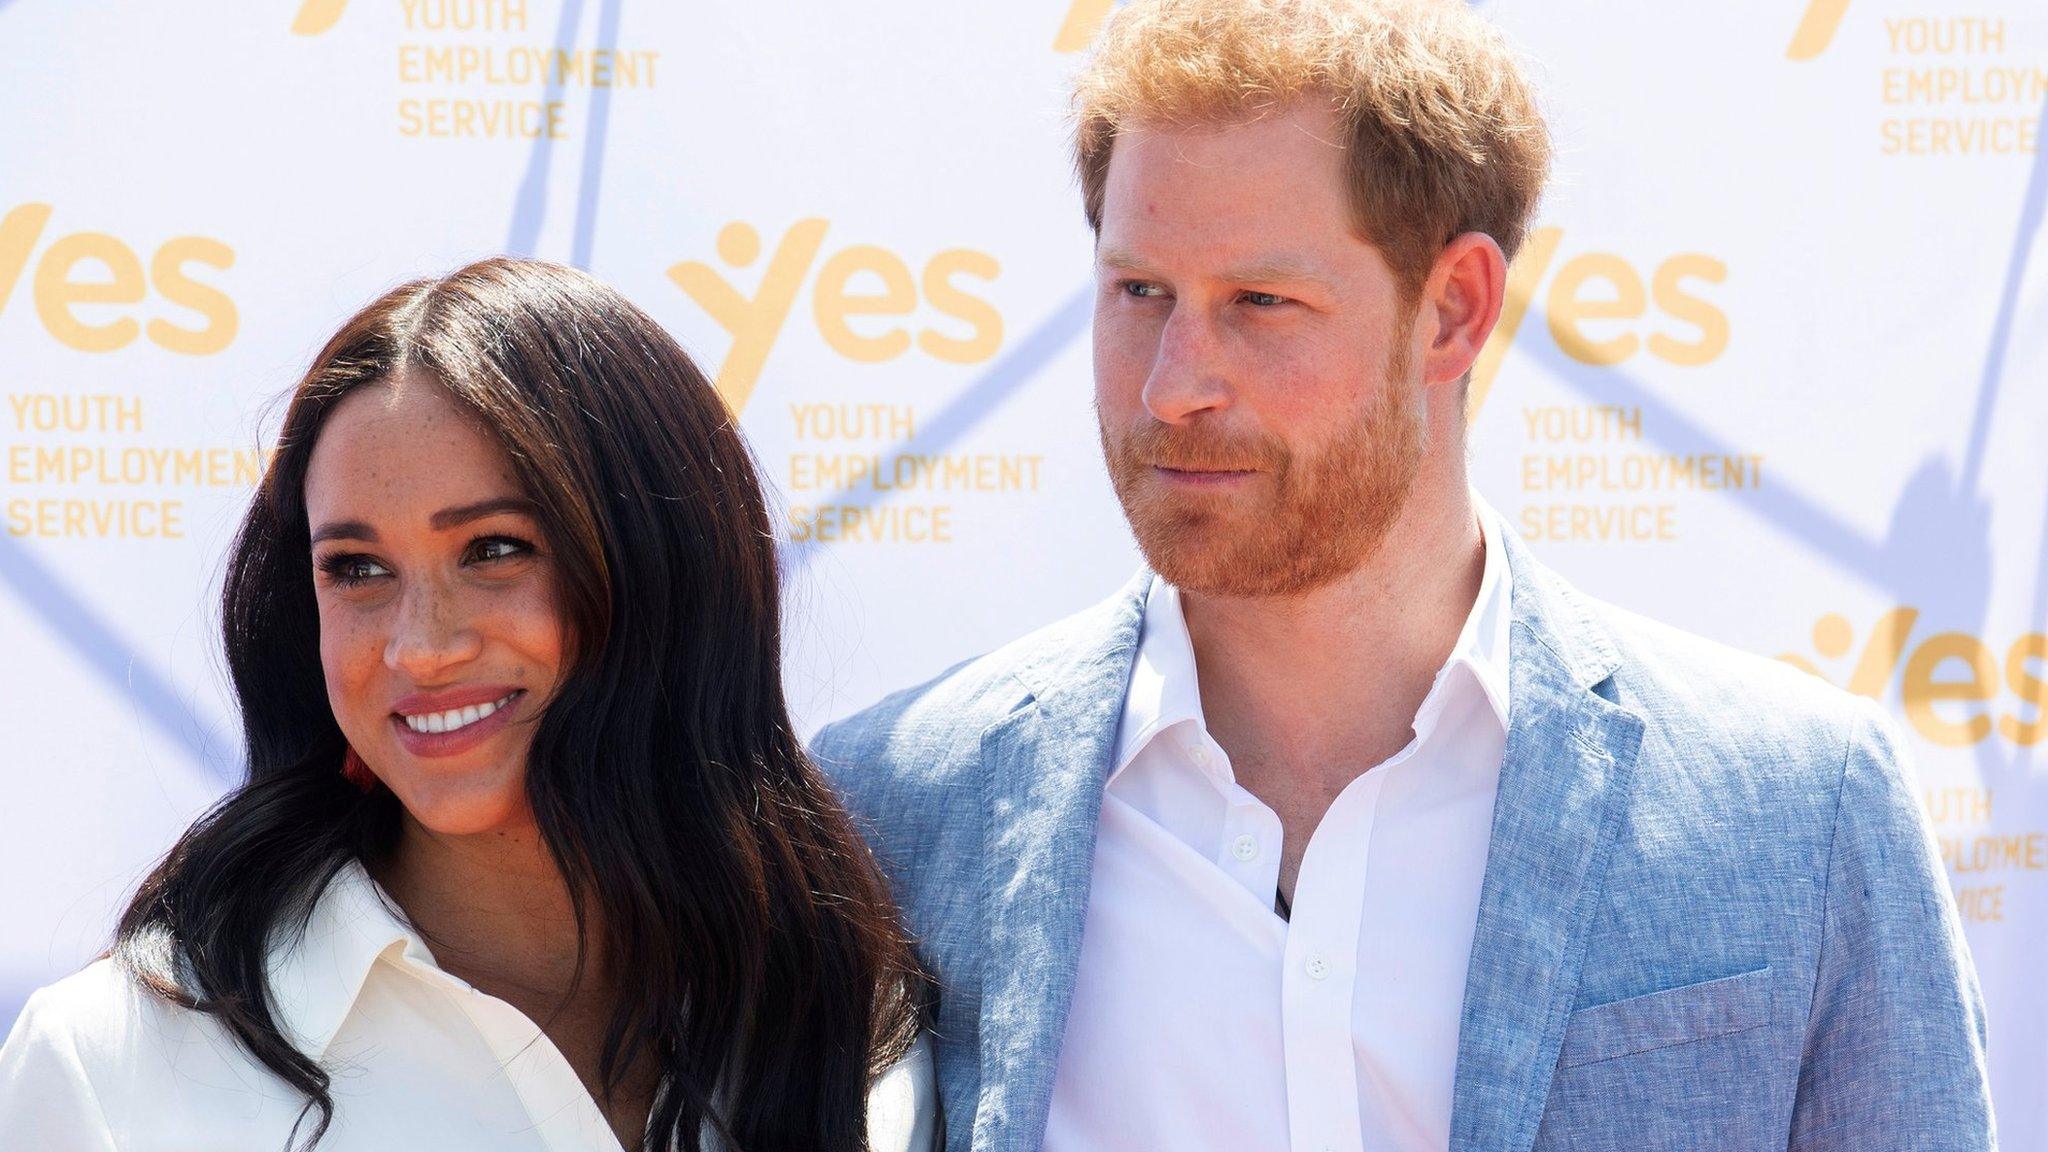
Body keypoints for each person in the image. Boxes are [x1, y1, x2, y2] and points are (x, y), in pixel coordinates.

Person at [811, 1, 1995, 1150]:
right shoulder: (895, 812)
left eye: (1259, 303)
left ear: (1453, 312)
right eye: (1140, 293)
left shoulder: (1796, 809)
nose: (1172, 383)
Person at [0, 258, 937, 1152]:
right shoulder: (117, 1064)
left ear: (665, 569)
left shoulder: (859, 1018)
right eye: (356, 570)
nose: (420, 646)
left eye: (493, 550)